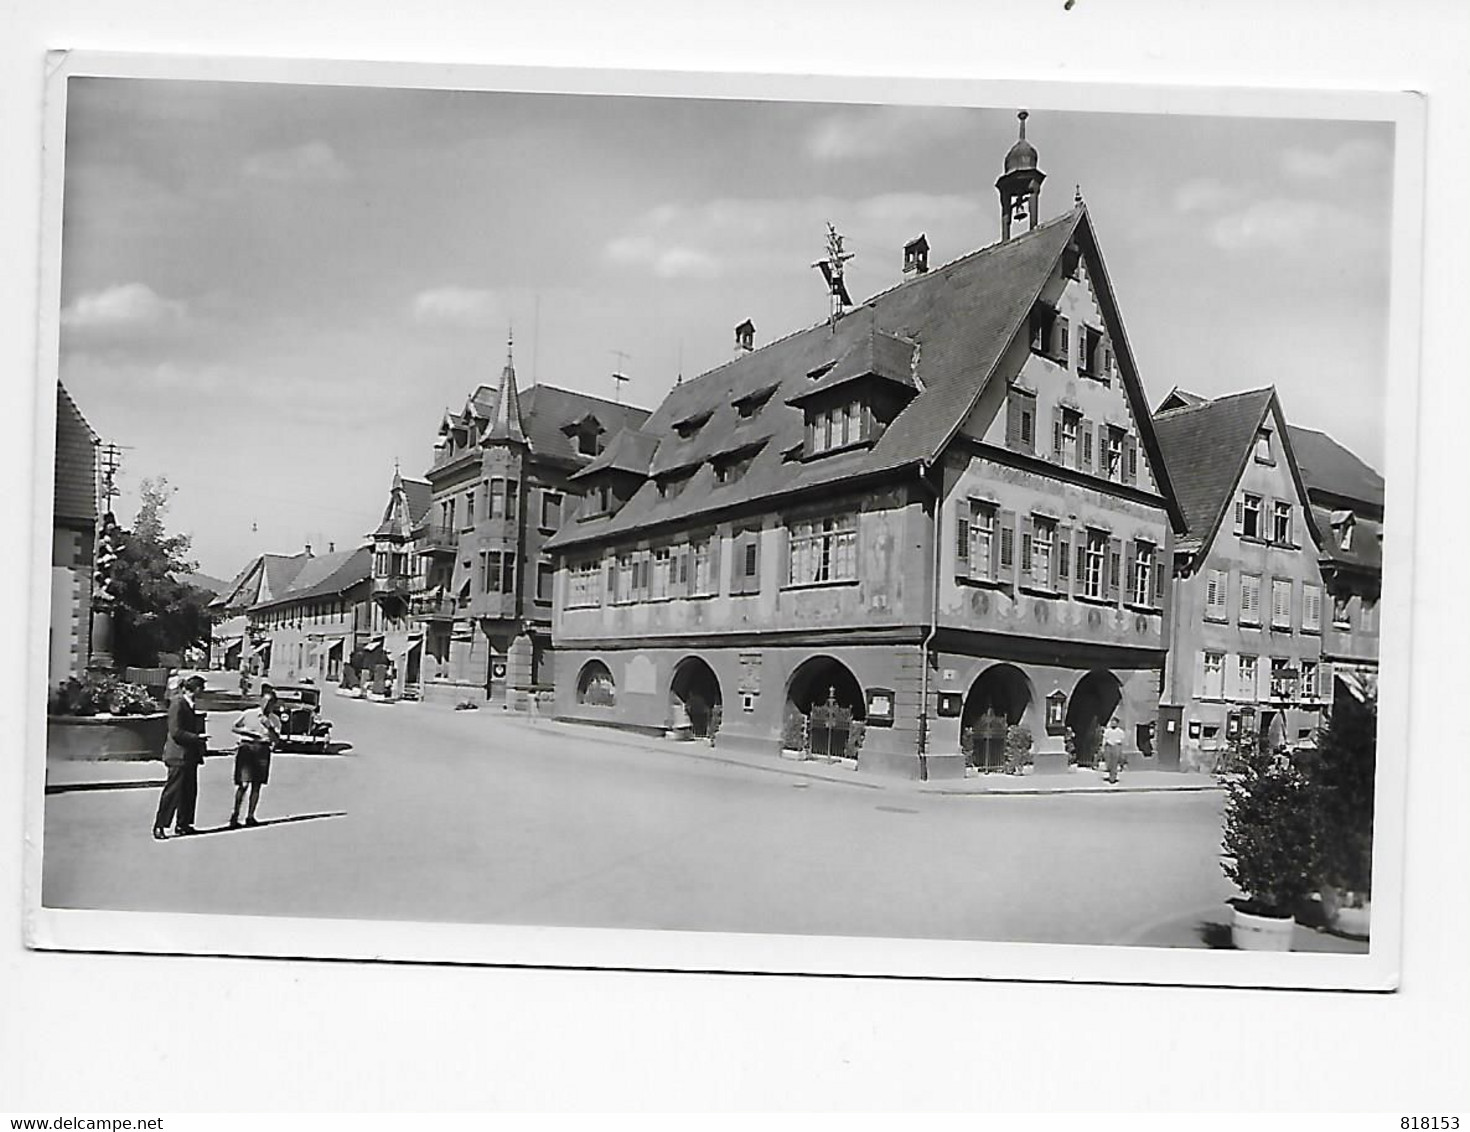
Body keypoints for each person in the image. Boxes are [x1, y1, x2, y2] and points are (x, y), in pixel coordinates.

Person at [154, 674, 208, 839]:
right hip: (178, 755)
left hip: (189, 756)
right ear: (196, 689)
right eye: (201, 688)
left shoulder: (189, 704)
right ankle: (160, 825)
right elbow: (176, 732)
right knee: (173, 791)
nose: (203, 692)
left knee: (188, 792)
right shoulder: (178, 704)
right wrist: (197, 738)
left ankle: (183, 824)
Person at [229, 683, 282, 828]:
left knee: (256, 785)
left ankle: (250, 816)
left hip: (262, 749)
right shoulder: (249, 713)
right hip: (246, 747)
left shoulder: (275, 720)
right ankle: (235, 814)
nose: (266, 705)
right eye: (264, 701)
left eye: (270, 703)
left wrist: (269, 727)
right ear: (260, 701)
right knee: (243, 784)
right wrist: (246, 732)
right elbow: (234, 727)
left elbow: (277, 740)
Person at [1102, 716, 1127, 784]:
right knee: (1109, 762)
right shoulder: (1108, 731)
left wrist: (1121, 749)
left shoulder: (1120, 731)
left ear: (1117, 723)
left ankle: (1113, 777)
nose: (1113, 724)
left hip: (1116, 746)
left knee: (1115, 762)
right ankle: (1111, 774)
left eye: (1114, 723)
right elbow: (1105, 739)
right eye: (1112, 722)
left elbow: (1122, 740)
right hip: (1109, 746)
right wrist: (1103, 747)